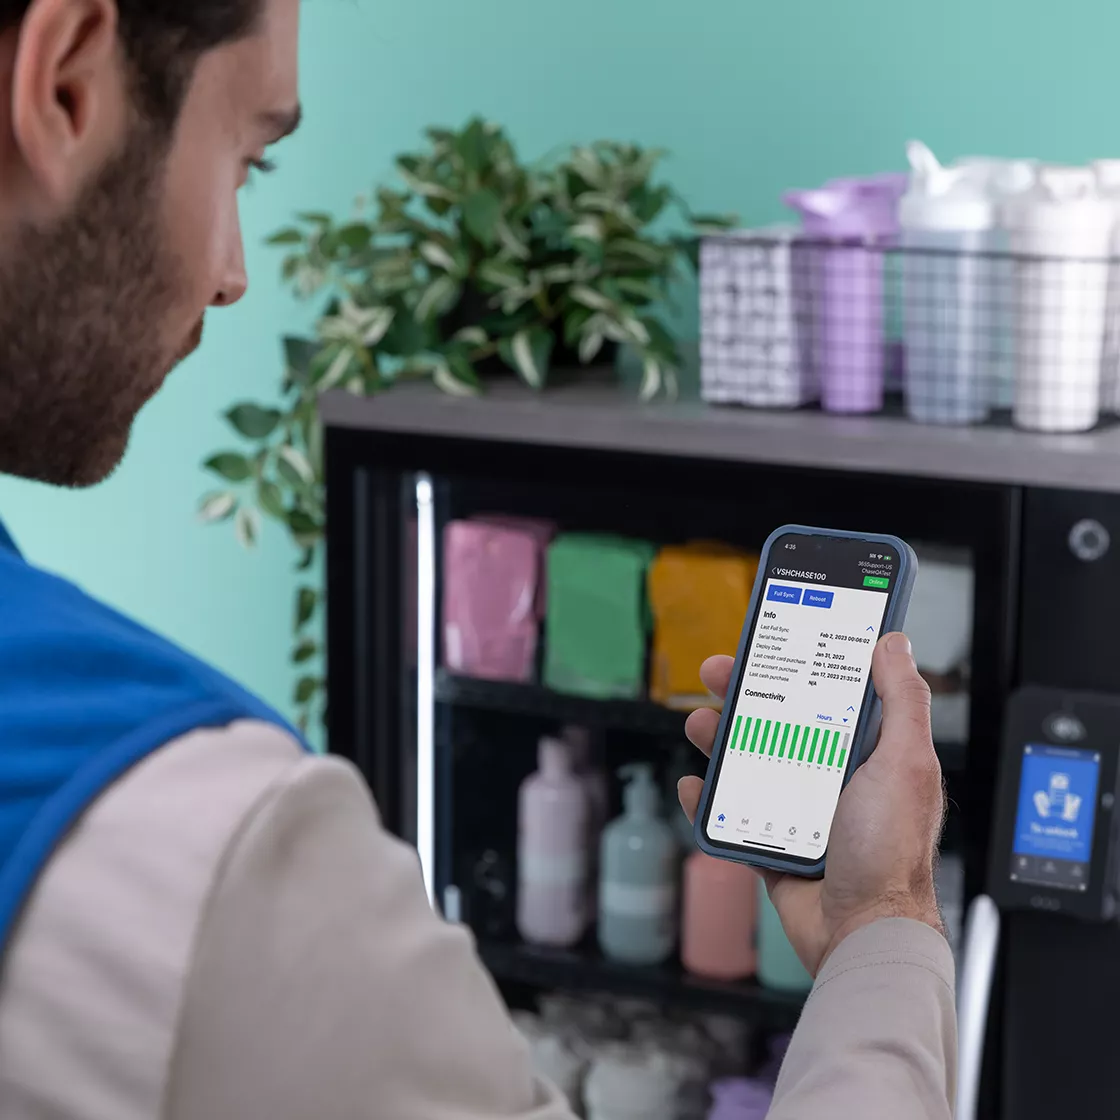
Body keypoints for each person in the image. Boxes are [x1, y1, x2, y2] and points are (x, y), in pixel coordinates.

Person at [0, 1, 955, 1117]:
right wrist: (885, 924)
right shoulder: (212, 857)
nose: (231, 275)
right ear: (63, 83)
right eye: (248, 160)